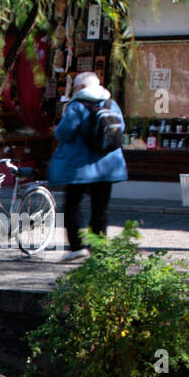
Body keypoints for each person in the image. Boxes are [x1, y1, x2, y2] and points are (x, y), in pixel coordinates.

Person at [46, 72, 127, 262]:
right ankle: (99, 248)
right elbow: (120, 128)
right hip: (108, 166)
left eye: (74, 87)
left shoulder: (77, 105)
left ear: (80, 88)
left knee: (72, 205)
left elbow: (64, 133)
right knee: (100, 208)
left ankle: (77, 247)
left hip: (79, 167)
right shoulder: (111, 103)